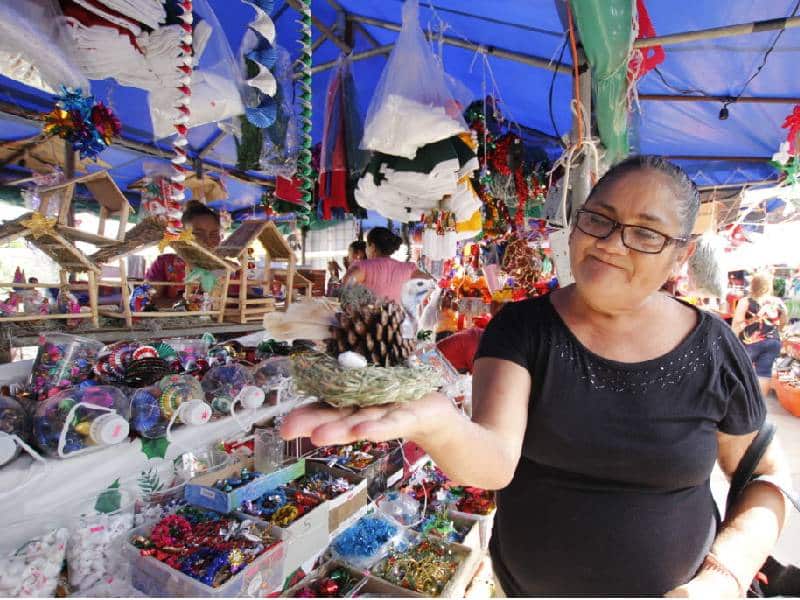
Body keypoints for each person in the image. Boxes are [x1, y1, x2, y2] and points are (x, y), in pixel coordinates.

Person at [281, 156, 792, 597]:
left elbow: (764, 476)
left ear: (680, 254)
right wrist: (437, 424)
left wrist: (724, 576)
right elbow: (495, 461)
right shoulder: (522, 328)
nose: (613, 244)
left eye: (645, 233)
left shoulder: (712, 346)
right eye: (599, 219)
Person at [145, 201, 222, 308]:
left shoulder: (228, 267)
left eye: (214, 234)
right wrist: (185, 300)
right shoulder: (163, 263)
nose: (206, 240)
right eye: (198, 234)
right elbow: (149, 301)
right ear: (182, 235)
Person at [732, 272, 788, 397]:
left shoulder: (746, 301)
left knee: (740, 370)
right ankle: (760, 404)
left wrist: (733, 340)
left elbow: (737, 323)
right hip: (773, 342)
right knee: (764, 372)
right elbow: (784, 321)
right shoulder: (778, 302)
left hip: (751, 342)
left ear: (753, 285)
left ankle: (742, 400)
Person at [342, 227, 429, 303]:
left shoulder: (364, 266)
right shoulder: (408, 268)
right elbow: (431, 283)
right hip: (399, 319)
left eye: (367, 246)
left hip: (370, 319)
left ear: (372, 247)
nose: (366, 250)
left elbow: (347, 285)